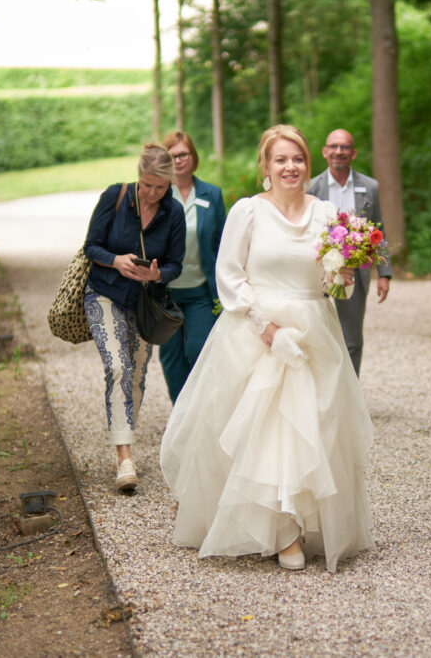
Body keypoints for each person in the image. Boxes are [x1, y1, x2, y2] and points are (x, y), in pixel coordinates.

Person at [159, 125, 374, 573]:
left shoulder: (325, 213)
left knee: (316, 425)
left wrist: (343, 279)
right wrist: (266, 325)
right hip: (258, 332)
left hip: (315, 330)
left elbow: (331, 282)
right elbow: (229, 274)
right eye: (280, 159)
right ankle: (282, 531)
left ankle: (305, 520)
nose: (290, 167)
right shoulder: (248, 211)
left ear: (306, 164)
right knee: (268, 429)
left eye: (296, 158)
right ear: (266, 166)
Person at [84, 144, 186, 492]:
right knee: (117, 367)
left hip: (146, 303)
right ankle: (124, 459)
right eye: (147, 185)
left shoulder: (174, 212)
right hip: (104, 294)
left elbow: (176, 264)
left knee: (138, 374)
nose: (152, 193)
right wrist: (116, 261)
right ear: (138, 176)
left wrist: (157, 275)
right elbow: (91, 247)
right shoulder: (116, 196)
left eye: (160, 187)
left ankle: (125, 438)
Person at [306, 129, 392, 376]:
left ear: (353, 153)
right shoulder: (311, 187)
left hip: (354, 273)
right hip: (318, 273)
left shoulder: (370, 187)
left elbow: (380, 230)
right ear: (324, 152)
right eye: (333, 146)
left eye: (344, 147)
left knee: (351, 340)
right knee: (316, 334)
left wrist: (384, 273)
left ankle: (350, 393)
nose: (338, 152)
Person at [159, 131, 227, 403]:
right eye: (172, 156)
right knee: (171, 357)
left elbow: (224, 241)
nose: (178, 160)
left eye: (183, 154)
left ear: (193, 157)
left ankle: (199, 410)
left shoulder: (212, 194)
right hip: (165, 294)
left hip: (201, 291)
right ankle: (181, 414)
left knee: (199, 350)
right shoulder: (158, 194)